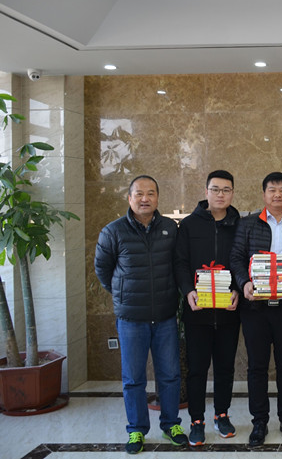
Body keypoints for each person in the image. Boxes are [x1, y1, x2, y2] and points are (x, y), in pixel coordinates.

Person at [95, 175, 188, 454]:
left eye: (150, 193)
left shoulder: (170, 229)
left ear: (158, 197)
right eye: (139, 193)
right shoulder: (113, 231)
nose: (145, 198)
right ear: (129, 198)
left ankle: (171, 424)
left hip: (165, 316)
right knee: (133, 378)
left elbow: (178, 265)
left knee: (169, 375)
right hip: (131, 319)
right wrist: (124, 294)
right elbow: (103, 270)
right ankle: (136, 429)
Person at [229, 172, 282, 446]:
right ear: (264, 194)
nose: (278, 194)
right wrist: (244, 283)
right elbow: (236, 258)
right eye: (272, 190)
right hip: (255, 308)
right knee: (257, 367)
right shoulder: (247, 224)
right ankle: (259, 422)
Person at [174, 170, 241, 446]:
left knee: (225, 368)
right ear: (206, 192)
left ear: (232, 193)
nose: (220, 194)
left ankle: (221, 415)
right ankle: (197, 420)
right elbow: (180, 262)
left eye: (226, 190)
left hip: (229, 311)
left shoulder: (240, 225)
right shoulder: (189, 225)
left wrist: (239, 289)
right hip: (198, 311)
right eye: (215, 189)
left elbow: (243, 261)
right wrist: (188, 291)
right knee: (197, 369)